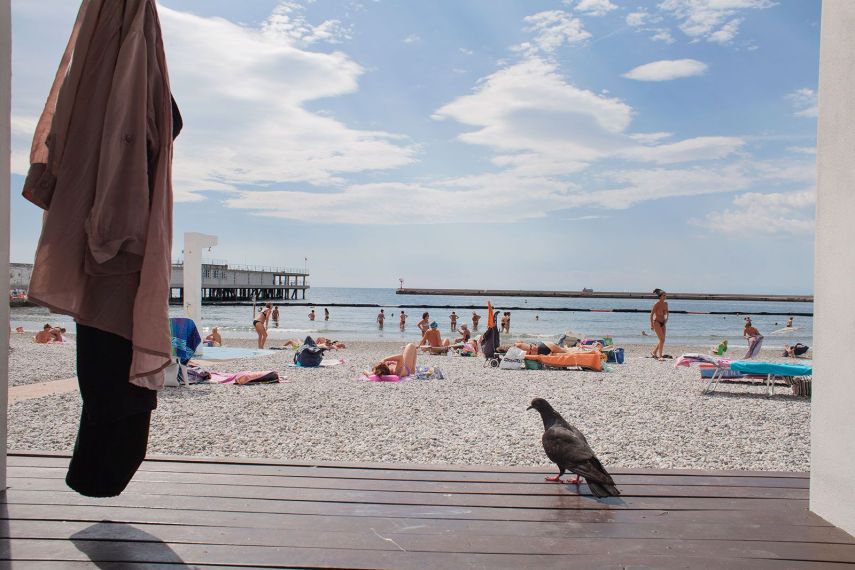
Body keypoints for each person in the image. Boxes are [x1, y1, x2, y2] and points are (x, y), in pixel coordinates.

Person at [650, 288, 669, 360]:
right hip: (657, 322)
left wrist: (666, 319)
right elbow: (651, 315)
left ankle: (654, 352)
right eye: (664, 295)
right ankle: (660, 356)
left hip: (663, 323)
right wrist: (651, 324)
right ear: (660, 296)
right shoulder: (656, 304)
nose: (665, 296)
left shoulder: (666, 304)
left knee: (662, 340)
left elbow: (667, 313)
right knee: (662, 339)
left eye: (666, 295)